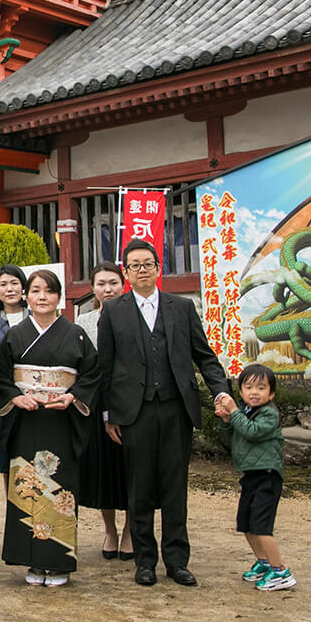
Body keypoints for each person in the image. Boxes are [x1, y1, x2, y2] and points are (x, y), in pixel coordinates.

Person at [96, 238, 232, 587]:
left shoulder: (181, 308)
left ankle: (176, 560)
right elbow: (106, 366)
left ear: (159, 268)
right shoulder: (113, 311)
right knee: (138, 488)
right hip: (134, 411)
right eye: (135, 265)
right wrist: (108, 414)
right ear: (126, 272)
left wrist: (221, 391)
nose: (142, 270)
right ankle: (144, 561)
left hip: (175, 409)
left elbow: (204, 356)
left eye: (148, 264)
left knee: (175, 487)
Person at [0, 270, 99, 587]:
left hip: (60, 422)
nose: (41, 297)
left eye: (49, 292)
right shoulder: (15, 335)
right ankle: (34, 562)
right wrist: (14, 397)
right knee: (28, 485)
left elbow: (91, 373)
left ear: (58, 297)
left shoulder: (75, 334)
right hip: (25, 421)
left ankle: (59, 562)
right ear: (26, 295)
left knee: (60, 488)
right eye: (35, 291)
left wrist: (73, 396)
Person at [215, 364, 295, 591]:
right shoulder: (245, 412)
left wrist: (235, 412)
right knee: (246, 525)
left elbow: (252, 432)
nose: (254, 392)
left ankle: (281, 571)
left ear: (271, 394)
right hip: (250, 476)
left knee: (261, 527)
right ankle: (264, 562)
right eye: (248, 387)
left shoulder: (269, 413)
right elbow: (231, 441)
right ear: (240, 391)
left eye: (261, 388)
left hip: (267, 477)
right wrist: (227, 421)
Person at [75, 261, 133, 560]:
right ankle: (110, 529)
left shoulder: (134, 315)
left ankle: (130, 530)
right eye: (101, 284)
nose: (107, 289)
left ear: (123, 284)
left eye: (113, 283)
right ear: (93, 288)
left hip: (130, 404)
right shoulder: (83, 322)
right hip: (96, 406)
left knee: (131, 470)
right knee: (103, 471)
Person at [0, 265, 30, 477]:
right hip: (2, 404)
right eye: (3, 284)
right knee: (6, 466)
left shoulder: (37, 319)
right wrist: (6, 393)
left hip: (34, 402)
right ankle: (10, 511)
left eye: (14, 283)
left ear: (23, 287)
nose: (9, 289)